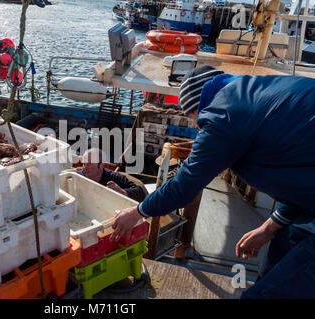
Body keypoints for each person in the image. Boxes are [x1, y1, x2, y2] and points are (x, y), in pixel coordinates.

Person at [111, 65, 315, 298]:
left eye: (192, 118)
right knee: (281, 251)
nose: (199, 127)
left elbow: (184, 184)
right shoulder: (253, 94)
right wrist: (270, 226)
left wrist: (138, 212)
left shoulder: (224, 112)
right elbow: (301, 177)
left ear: (199, 105)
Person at [79, 148, 146, 202]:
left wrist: (122, 192)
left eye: (90, 164)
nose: (85, 167)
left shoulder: (114, 178)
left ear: (101, 164)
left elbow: (140, 193)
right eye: (84, 164)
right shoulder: (77, 176)